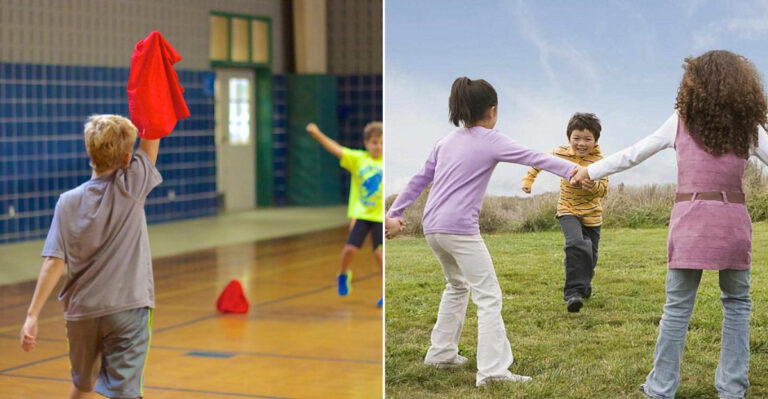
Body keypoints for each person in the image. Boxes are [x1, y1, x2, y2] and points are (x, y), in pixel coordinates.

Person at [571, 50, 768, 399]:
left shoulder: (679, 121)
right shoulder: (749, 129)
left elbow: (634, 153)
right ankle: (733, 389)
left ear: (693, 85)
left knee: (677, 307)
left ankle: (661, 388)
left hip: (691, 222)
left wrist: (590, 170)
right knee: (737, 303)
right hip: (732, 223)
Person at [387, 77, 578, 387]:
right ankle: (492, 372)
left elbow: (418, 180)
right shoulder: (491, 139)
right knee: (488, 296)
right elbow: (534, 157)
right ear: (492, 110)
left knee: (457, 285)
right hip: (459, 229)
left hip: (433, 228)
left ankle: (441, 353)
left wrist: (394, 213)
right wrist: (572, 170)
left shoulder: (446, 141)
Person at [20, 115, 163, 399]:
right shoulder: (131, 187)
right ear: (126, 158)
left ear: (89, 152)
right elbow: (154, 129)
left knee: (83, 386)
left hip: (81, 315)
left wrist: (32, 315)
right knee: (126, 393)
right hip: (127, 309)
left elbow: (53, 262)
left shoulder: (67, 201)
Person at [522, 112, 608, 312]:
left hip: (593, 215)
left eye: (587, 139)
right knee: (576, 243)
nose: (581, 143)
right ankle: (573, 293)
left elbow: (603, 190)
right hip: (567, 209)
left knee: (590, 257)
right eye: (576, 138)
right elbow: (539, 161)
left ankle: (583, 286)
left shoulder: (600, 161)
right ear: (569, 138)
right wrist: (528, 180)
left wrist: (592, 186)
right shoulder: (560, 153)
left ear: (595, 140)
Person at [306, 121, 383, 306]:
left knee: (379, 254)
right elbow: (336, 149)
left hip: (380, 217)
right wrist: (317, 134)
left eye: (382, 142)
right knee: (349, 250)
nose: (378, 146)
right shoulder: (358, 159)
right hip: (362, 214)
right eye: (374, 142)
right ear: (366, 143)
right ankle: (342, 275)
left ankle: (385, 292)